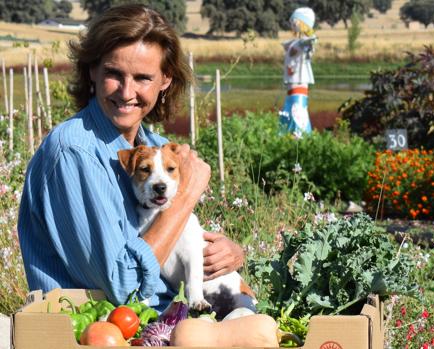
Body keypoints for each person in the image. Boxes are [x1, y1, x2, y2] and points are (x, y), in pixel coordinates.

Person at [17, 4, 244, 312]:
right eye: (114, 74)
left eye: (142, 78)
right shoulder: (74, 152)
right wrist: (186, 195)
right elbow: (124, 288)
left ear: (165, 80)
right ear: (92, 71)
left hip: (154, 326)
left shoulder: (155, 148)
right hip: (91, 332)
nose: (126, 92)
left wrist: (227, 255)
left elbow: (182, 240)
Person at [279, 7, 317, 137]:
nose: (292, 25)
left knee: (297, 109)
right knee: (290, 107)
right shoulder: (295, 42)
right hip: (292, 81)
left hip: (299, 81)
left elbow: (311, 41)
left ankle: (300, 136)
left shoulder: (304, 43)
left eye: (295, 22)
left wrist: (308, 35)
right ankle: (290, 135)